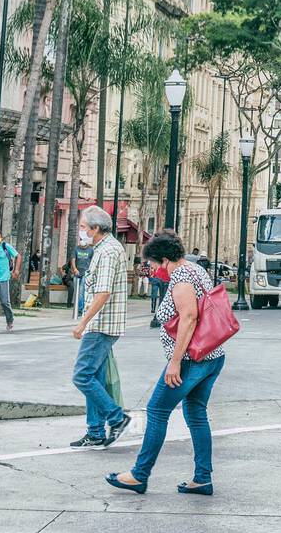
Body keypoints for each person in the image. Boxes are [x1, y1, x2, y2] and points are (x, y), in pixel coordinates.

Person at [106, 231, 227, 496]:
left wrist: (175, 362)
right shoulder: (195, 269)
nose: (152, 270)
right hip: (212, 355)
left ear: (164, 260)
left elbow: (189, 318)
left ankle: (139, 474)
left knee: (157, 411)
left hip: (190, 360)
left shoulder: (181, 279)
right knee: (196, 414)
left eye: (152, 265)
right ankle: (202, 478)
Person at [70, 205, 131, 449]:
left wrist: (83, 323)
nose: (81, 232)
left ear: (96, 229)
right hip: (103, 324)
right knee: (93, 376)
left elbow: (103, 292)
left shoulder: (107, 252)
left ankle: (116, 418)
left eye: (84, 227)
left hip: (101, 325)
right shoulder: (106, 248)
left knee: (82, 375)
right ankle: (95, 431)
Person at [148, 259, 170, 329]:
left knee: (162, 299)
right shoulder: (168, 259)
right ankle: (159, 318)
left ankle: (158, 318)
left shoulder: (163, 258)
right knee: (164, 299)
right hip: (165, 279)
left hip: (161, 278)